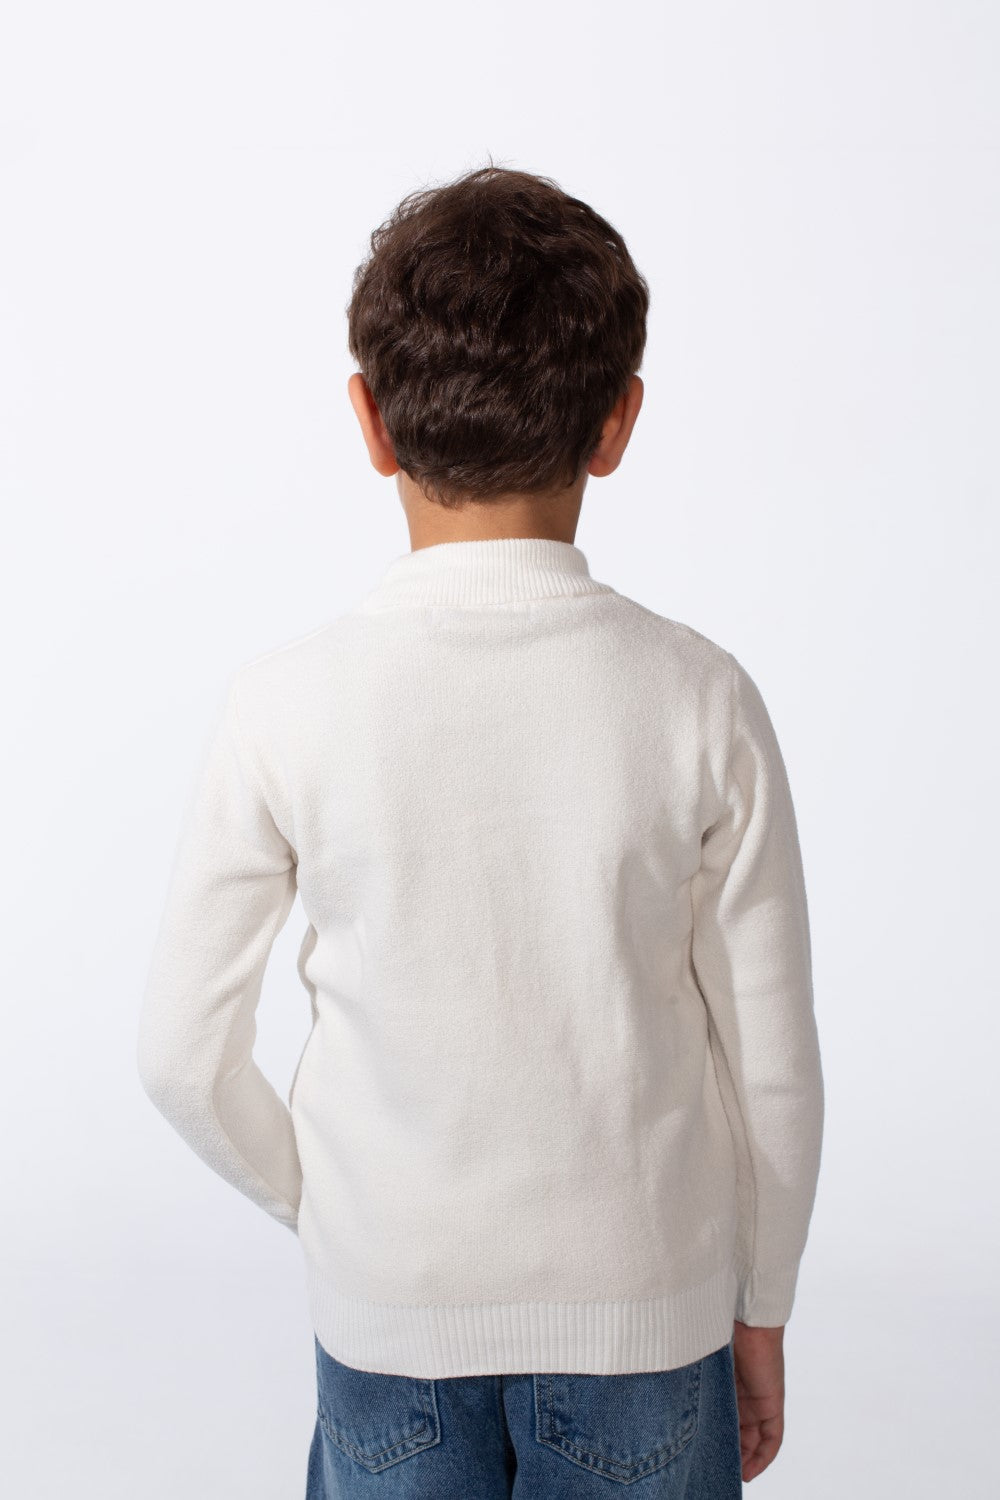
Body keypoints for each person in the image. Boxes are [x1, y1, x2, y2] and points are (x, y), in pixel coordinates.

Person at [137, 161, 824, 1496]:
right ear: (618, 421)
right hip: (647, 1317)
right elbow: (774, 1066)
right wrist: (763, 1302)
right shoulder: (700, 697)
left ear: (369, 421)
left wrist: (335, 1213)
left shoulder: (285, 703)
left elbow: (178, 1055)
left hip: (389, 1317)